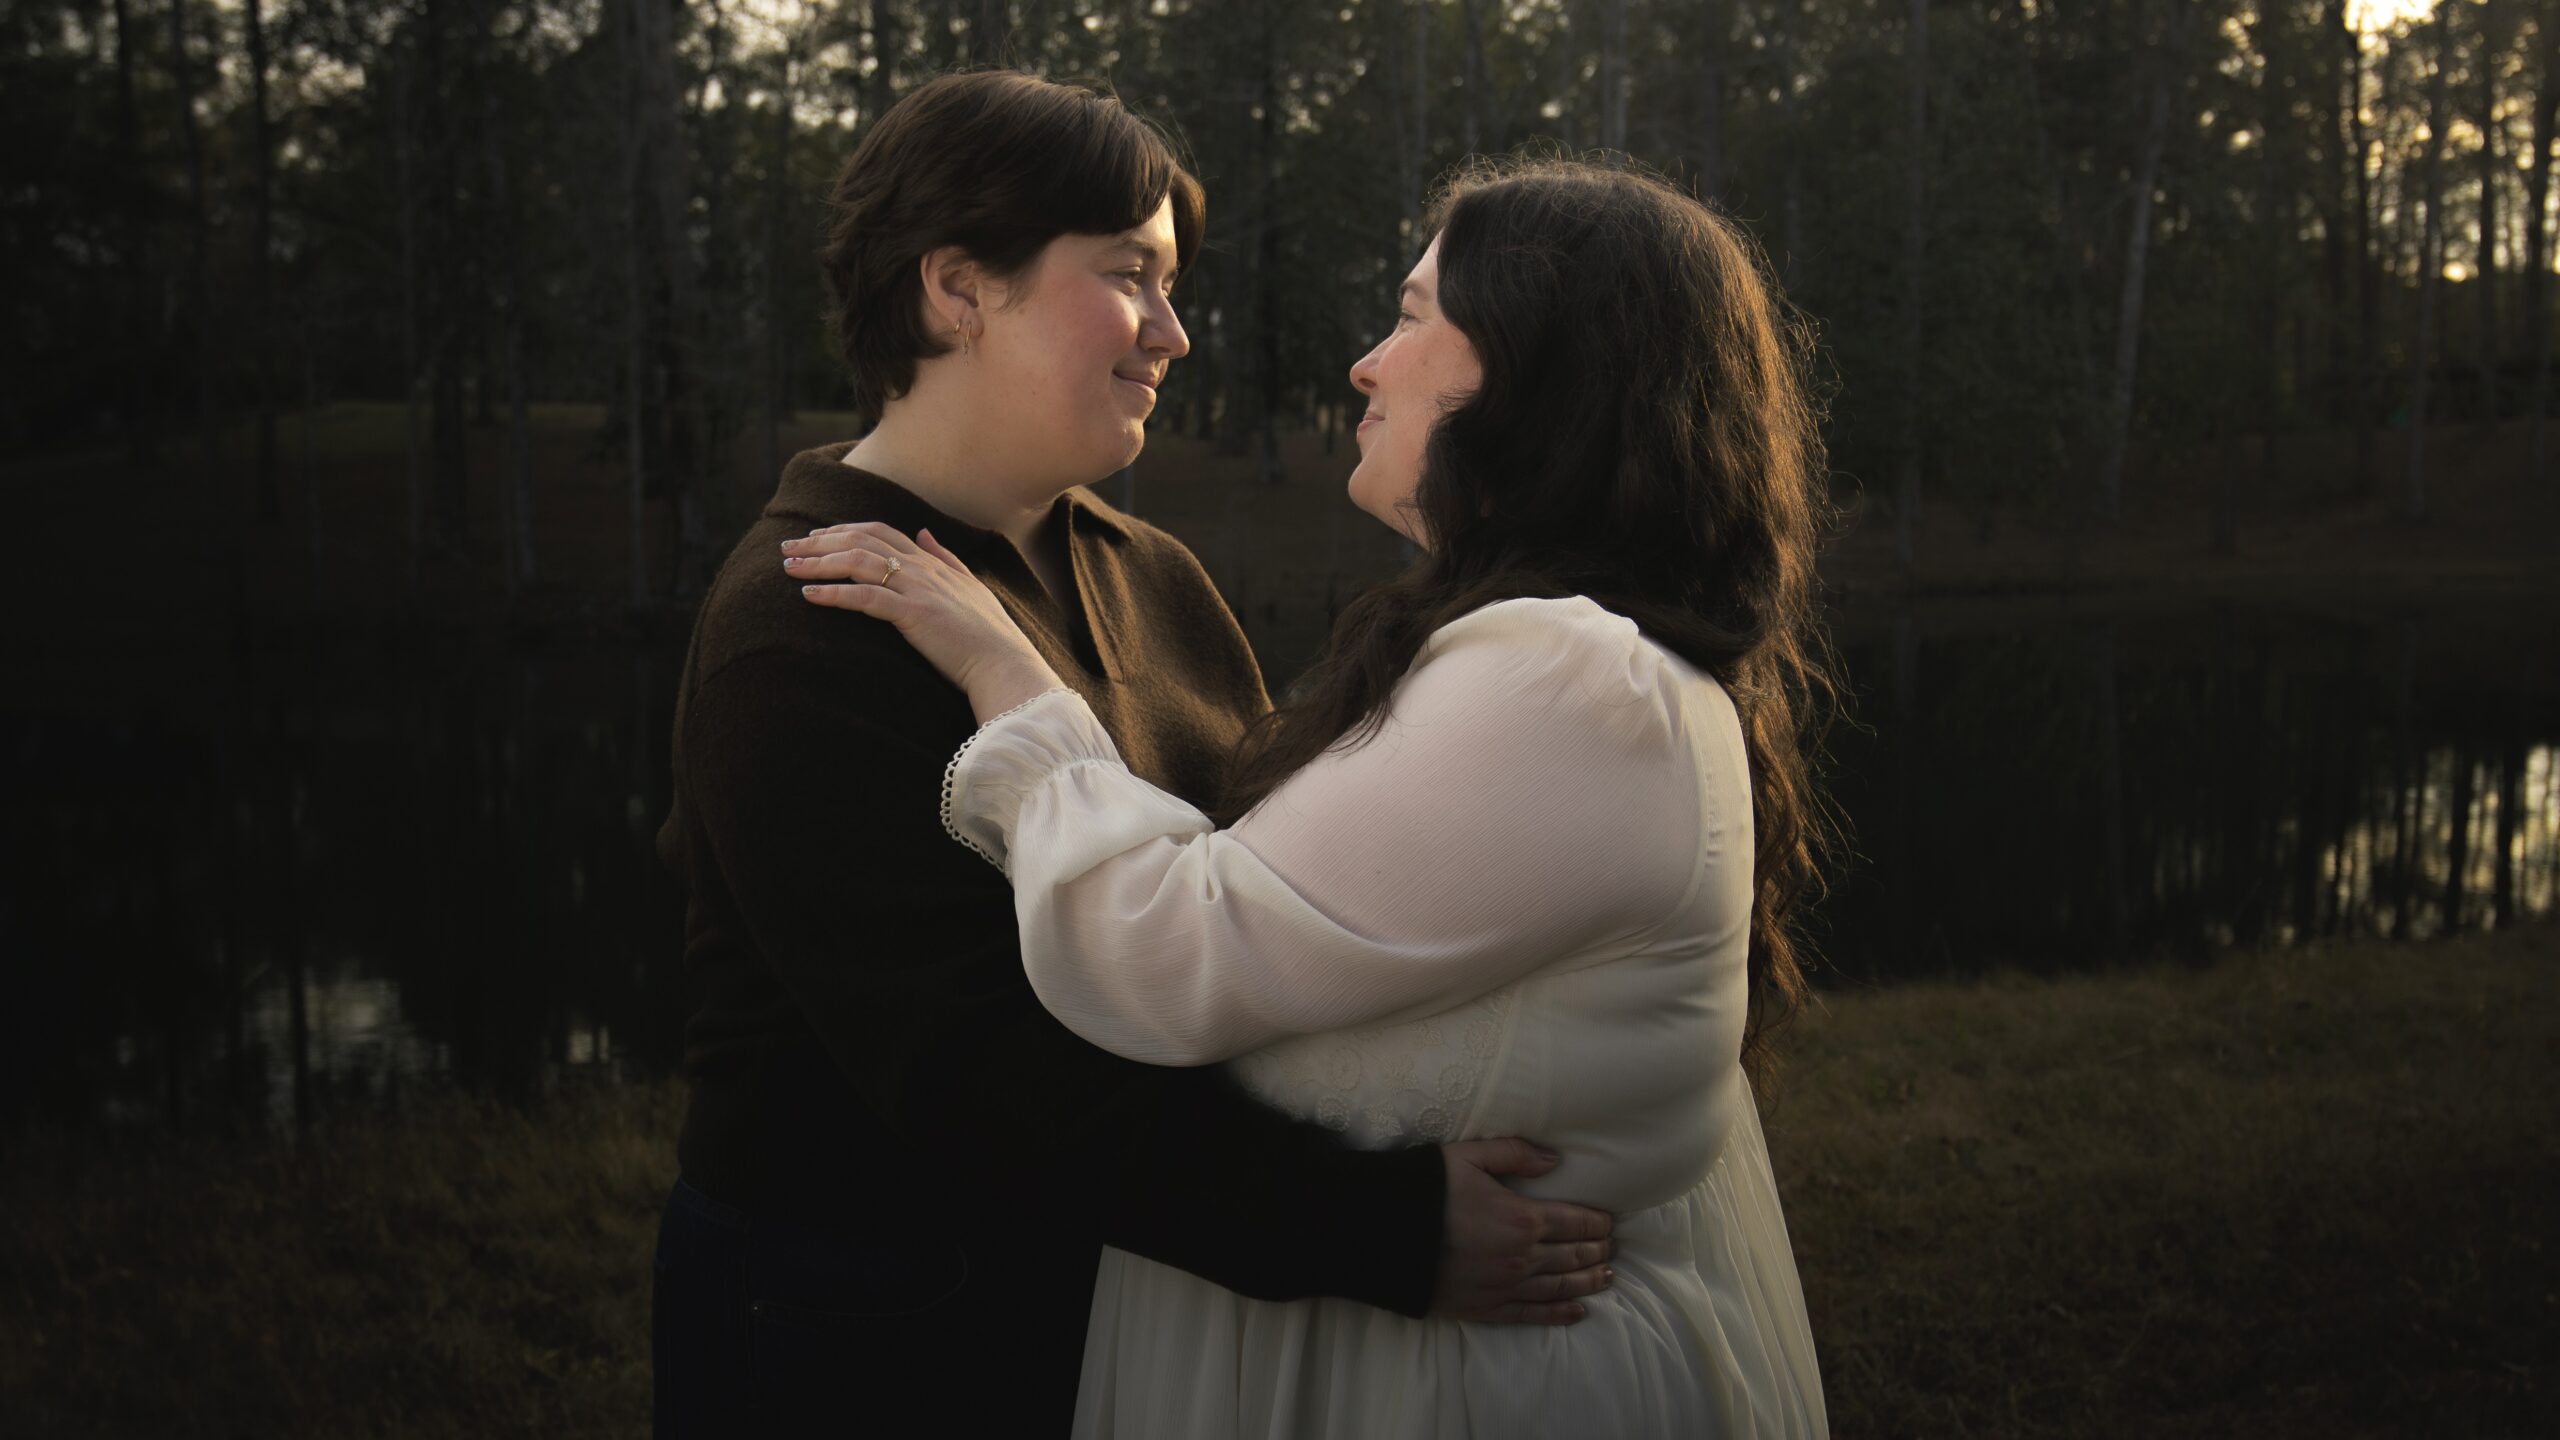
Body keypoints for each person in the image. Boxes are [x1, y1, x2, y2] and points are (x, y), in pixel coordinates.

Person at [785, 156, 1835, 1437]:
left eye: (1409, 316)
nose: (1365, 364)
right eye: (1127, 277)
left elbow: (1172, 951)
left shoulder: (1570, 674)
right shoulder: (1563, 661)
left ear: (1538, 371)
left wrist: (1010, 681)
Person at [650, 74, 1614, 1437]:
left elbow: (1248, 909)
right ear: (956, 289)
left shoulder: (1148, 573)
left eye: (1173, 285)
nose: (1174, 331)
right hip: (864, 1322)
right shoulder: (802, 622)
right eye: (1127, 276)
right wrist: (1383, 1230)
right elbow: (984, 1080)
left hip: (1119, 1290)